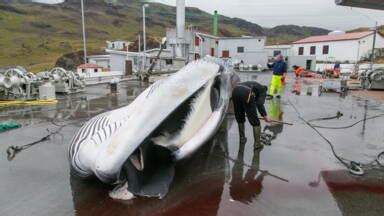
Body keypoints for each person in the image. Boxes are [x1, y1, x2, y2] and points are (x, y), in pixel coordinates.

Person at [232, 81, 271, 149]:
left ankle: (242, 138)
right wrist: (265, 116)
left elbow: (254, 101)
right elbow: (259, 104)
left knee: (239, 116)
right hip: (247, 93)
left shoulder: (254, 84)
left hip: (235, 91)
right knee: (255, 122)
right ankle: (257, 144)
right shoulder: (263, 91)